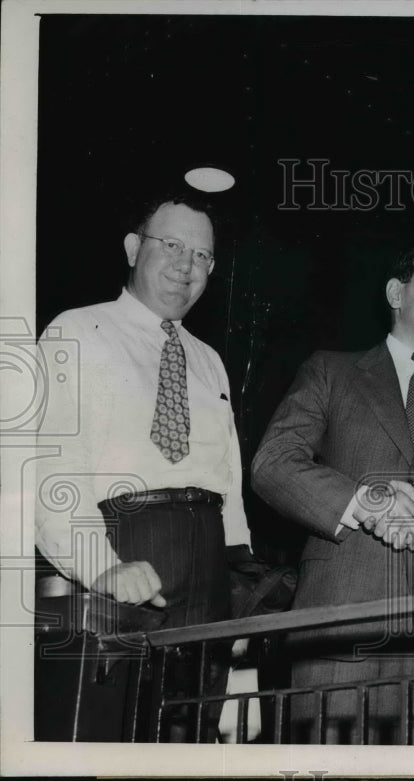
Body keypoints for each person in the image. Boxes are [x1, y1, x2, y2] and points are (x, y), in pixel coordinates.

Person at [251, 241, 414, 744]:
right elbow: (272, 463)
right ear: (395, 291)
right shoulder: (331, 371)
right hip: (339, 627)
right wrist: (365, 503)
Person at [34, 193, 251, 739]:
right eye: (172, 245)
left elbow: (229, 480)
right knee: (116, 732)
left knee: (192, 735)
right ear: (134, 248)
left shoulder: (210, 360)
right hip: (127, 549)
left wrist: (240, 584)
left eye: (202, 256)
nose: (187, 264)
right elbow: (48, 467)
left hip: (209, 564)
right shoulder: (78, 330)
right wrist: (101, 566)